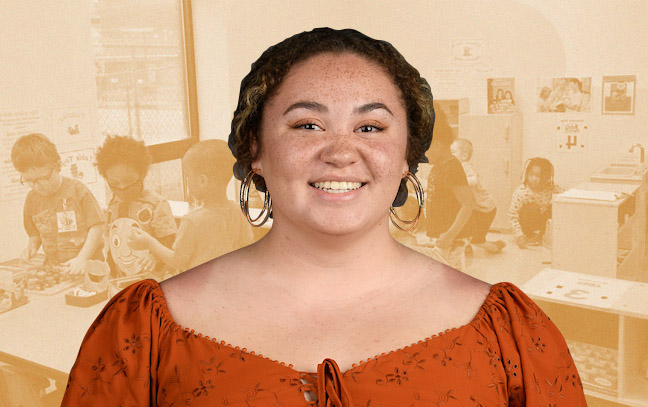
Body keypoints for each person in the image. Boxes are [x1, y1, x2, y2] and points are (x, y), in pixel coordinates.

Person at [62, 28, 585, 406]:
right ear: (255, 150)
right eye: (307, 125)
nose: (340, 152)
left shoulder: (509, 335)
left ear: (407, 155)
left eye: (372, 127)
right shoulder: (144, 333)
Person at [128, 139, 255, 272]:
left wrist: (150, 243)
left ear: (202, 181)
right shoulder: (238, 211)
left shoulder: (192, 221)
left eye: (188, 177)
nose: (187, 182)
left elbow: (177, 261)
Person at [11, 133, 104, 274]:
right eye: (29, 181)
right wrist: (31, 248)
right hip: (55, 269)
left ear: (58, 166)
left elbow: (97, 226)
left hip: (89, 267)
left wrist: (82, 258)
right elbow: (34, 235)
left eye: (42, 178)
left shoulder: (77, 190)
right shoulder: (31, 199)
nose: (37, 185)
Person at [95, 135, 177, 277]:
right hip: (124, 279)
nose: (122, 187)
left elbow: (170, 242)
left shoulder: (156, 204)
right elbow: (112, 243)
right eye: (114, 183)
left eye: (129, 180)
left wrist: (154, 257)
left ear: (142, 174)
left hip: (155, 278)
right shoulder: (113, 205)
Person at [424, 112, 477, 253]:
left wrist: (450, 235)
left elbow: (468, 204)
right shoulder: (438, 166)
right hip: (442, 235)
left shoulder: (452, 168)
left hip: (454, 237)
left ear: (437, 145)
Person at [451, 138, 505, 253]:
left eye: (453, 153)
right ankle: (466, 248)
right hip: (475, 209)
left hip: (485, 210)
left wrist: (458, 181)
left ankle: (494, 247)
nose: (450, 156)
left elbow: (474, 180)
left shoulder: (465, 167)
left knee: (477, 240)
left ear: (464, 156)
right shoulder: (456, 167)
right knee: (465, 230)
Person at [509, 157, 564, 248]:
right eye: (531, 174)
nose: (534, 179)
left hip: (542, 222)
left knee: (556, 204)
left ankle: (542, 235)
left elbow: (564, 195)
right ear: (526, 174)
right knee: (532, 207)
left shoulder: (549, 188)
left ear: (545, 177)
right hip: (527, 224)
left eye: (539, 176)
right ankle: (531, 235)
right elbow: (512, 216)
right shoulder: (521, 192)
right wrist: (519, 235)